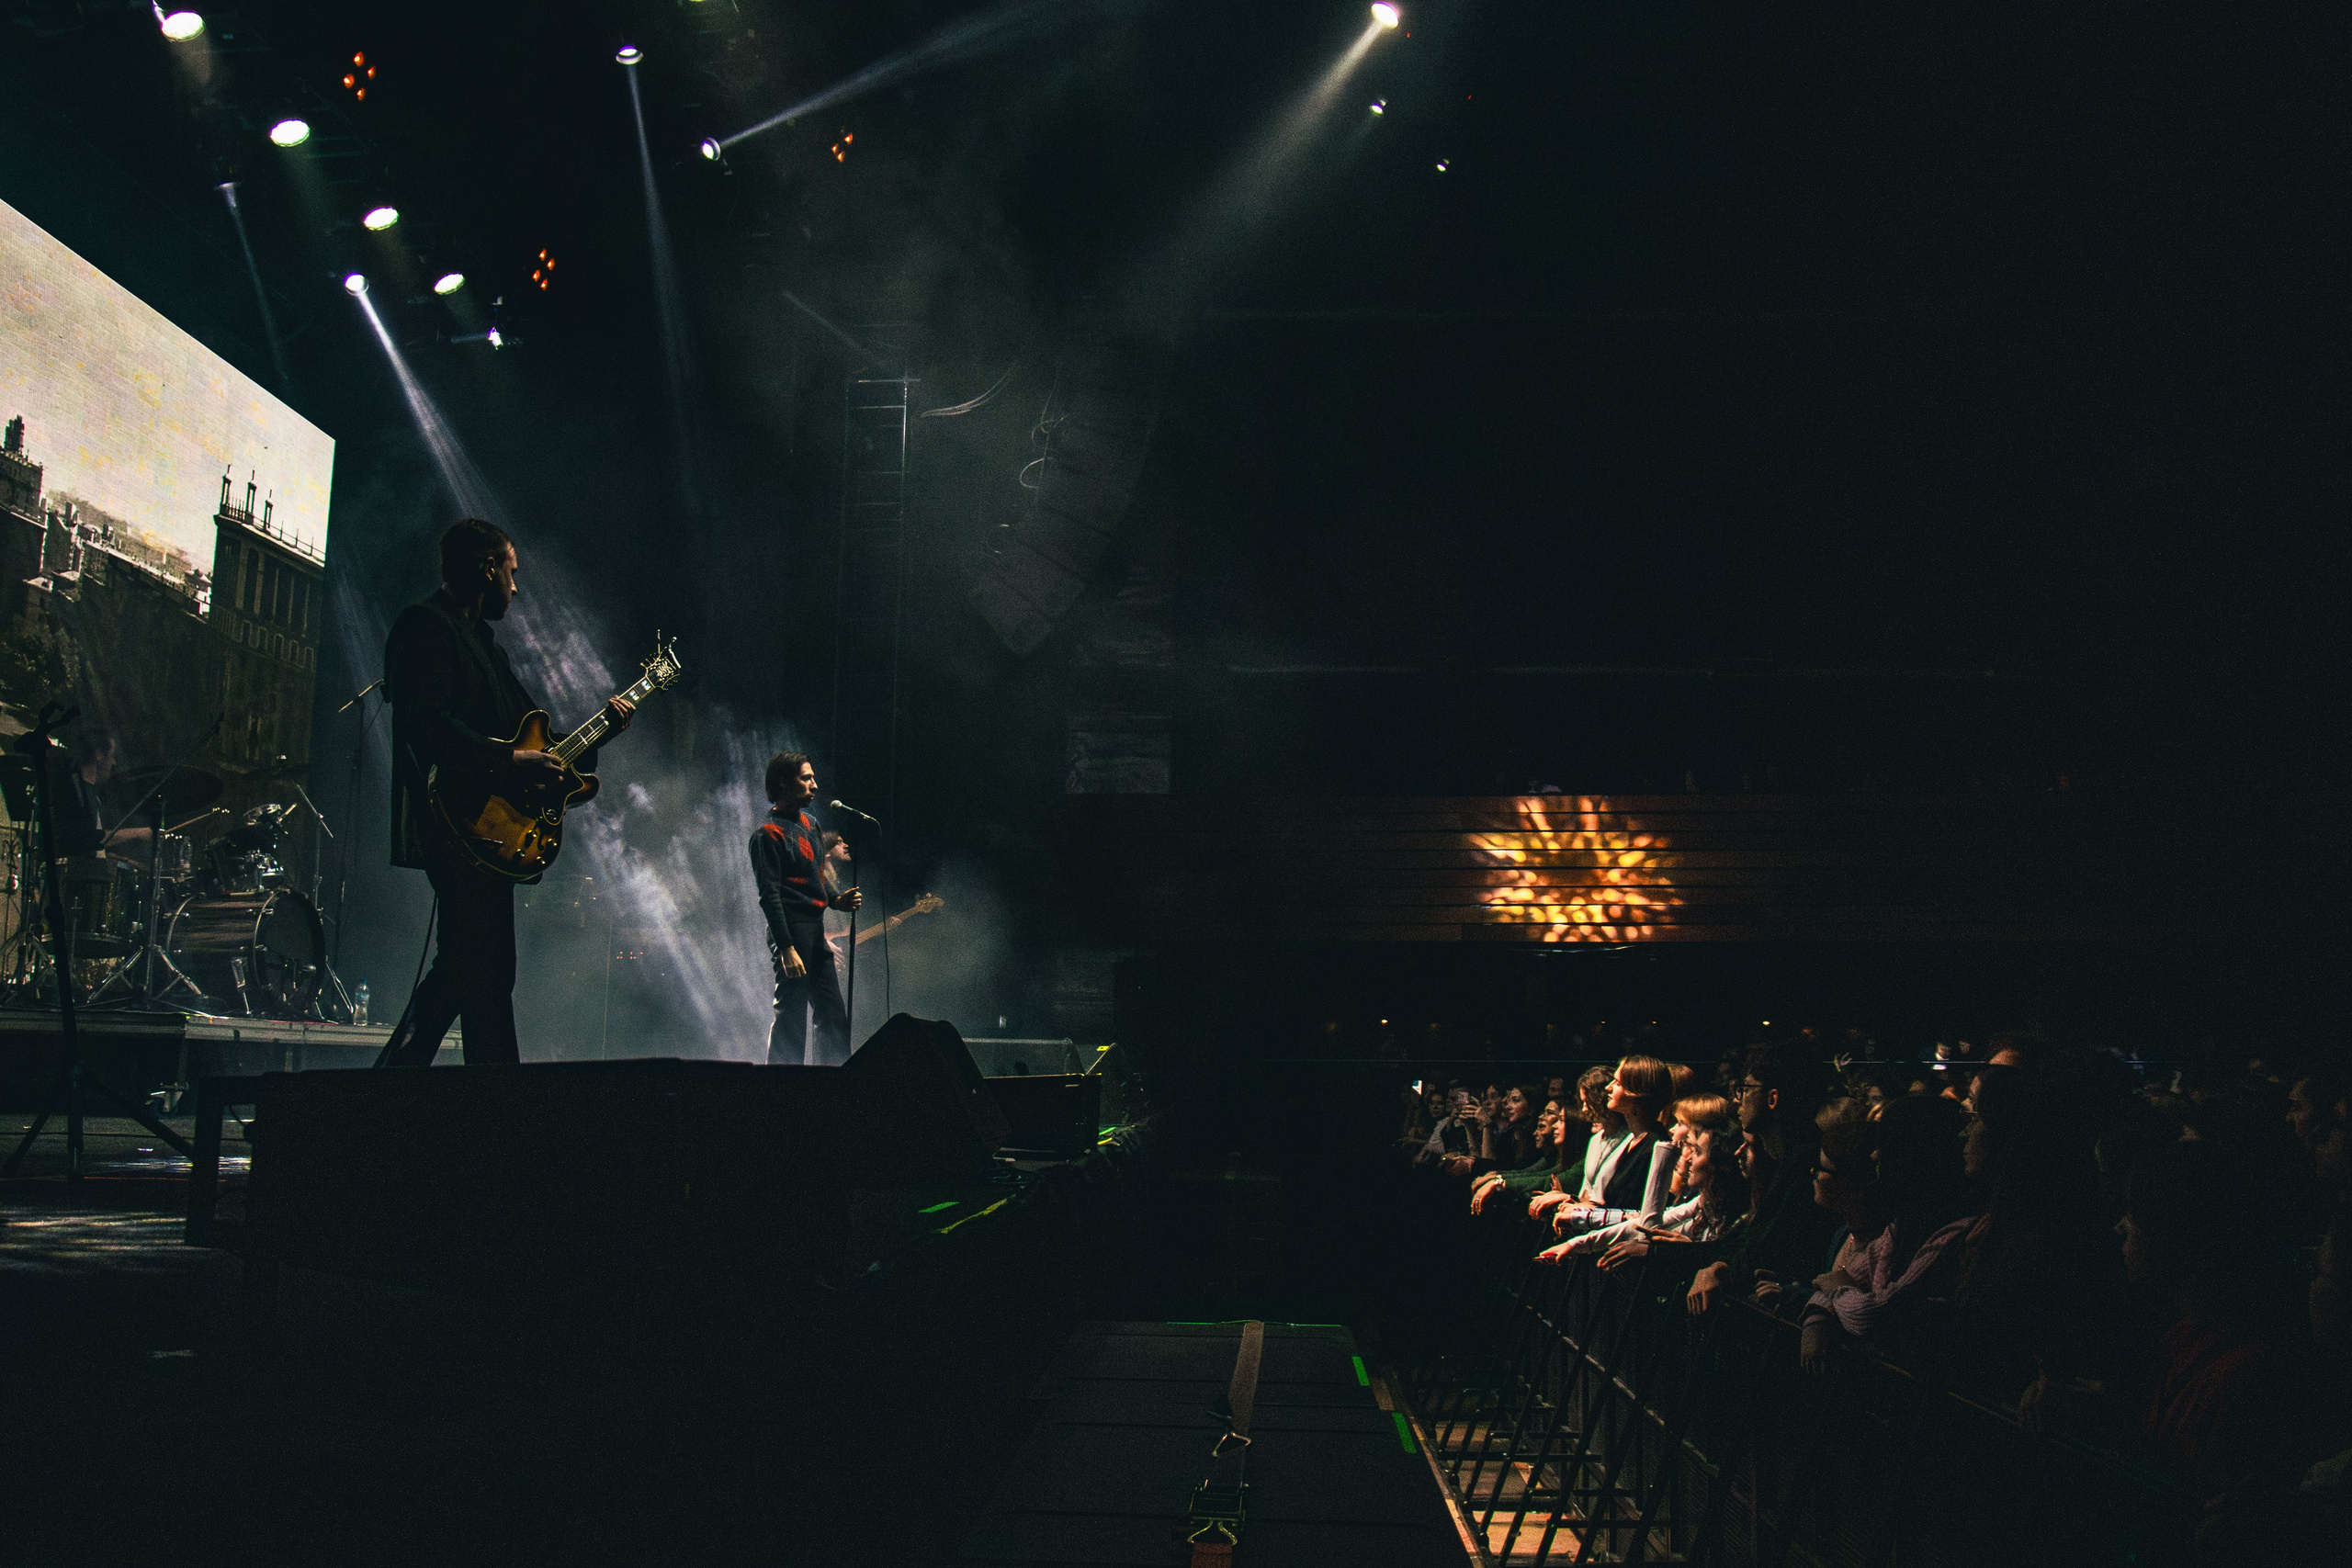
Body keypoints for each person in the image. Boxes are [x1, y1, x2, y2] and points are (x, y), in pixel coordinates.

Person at [375, 519, 633, 1067]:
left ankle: (407, 1086)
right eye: (512, 574)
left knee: (476, 970)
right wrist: (511, 761)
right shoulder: (424, 625)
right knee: (478, 969)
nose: (516, 588)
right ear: (488, 567)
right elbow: (425, 723)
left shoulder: (488, 649)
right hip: (456, 820)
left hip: (490, 828)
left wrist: (599, 734)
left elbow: (532, 739)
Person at [752, 750, 862, 1066]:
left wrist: (838, 900)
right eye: (806, 778)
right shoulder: (767, 835)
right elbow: (769, 895)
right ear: (785, 782)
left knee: (832, 1015)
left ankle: (829, 1088)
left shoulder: (811, 825)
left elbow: (817, 876)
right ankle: (782, 1092)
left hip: (814, 928)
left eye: (813, 777)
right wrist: (786, 948)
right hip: (790, 927)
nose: (814, 785)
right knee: (792, 1014)